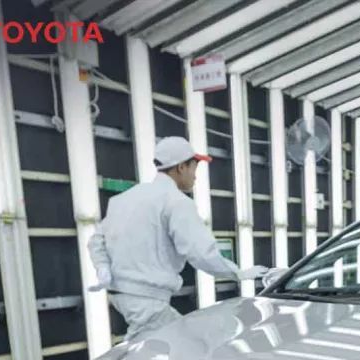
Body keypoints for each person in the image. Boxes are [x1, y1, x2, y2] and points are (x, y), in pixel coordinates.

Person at [88, 136, 266, 340]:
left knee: (151, 345)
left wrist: (102, 267)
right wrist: (238, 273)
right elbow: (200, 252)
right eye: (194, 168)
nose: (195, 176)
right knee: (188, 348)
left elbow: (96, 241)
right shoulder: (177, 202)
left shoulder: (123, 199)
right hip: (147, 300)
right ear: (181, 167)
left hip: (121, 295)